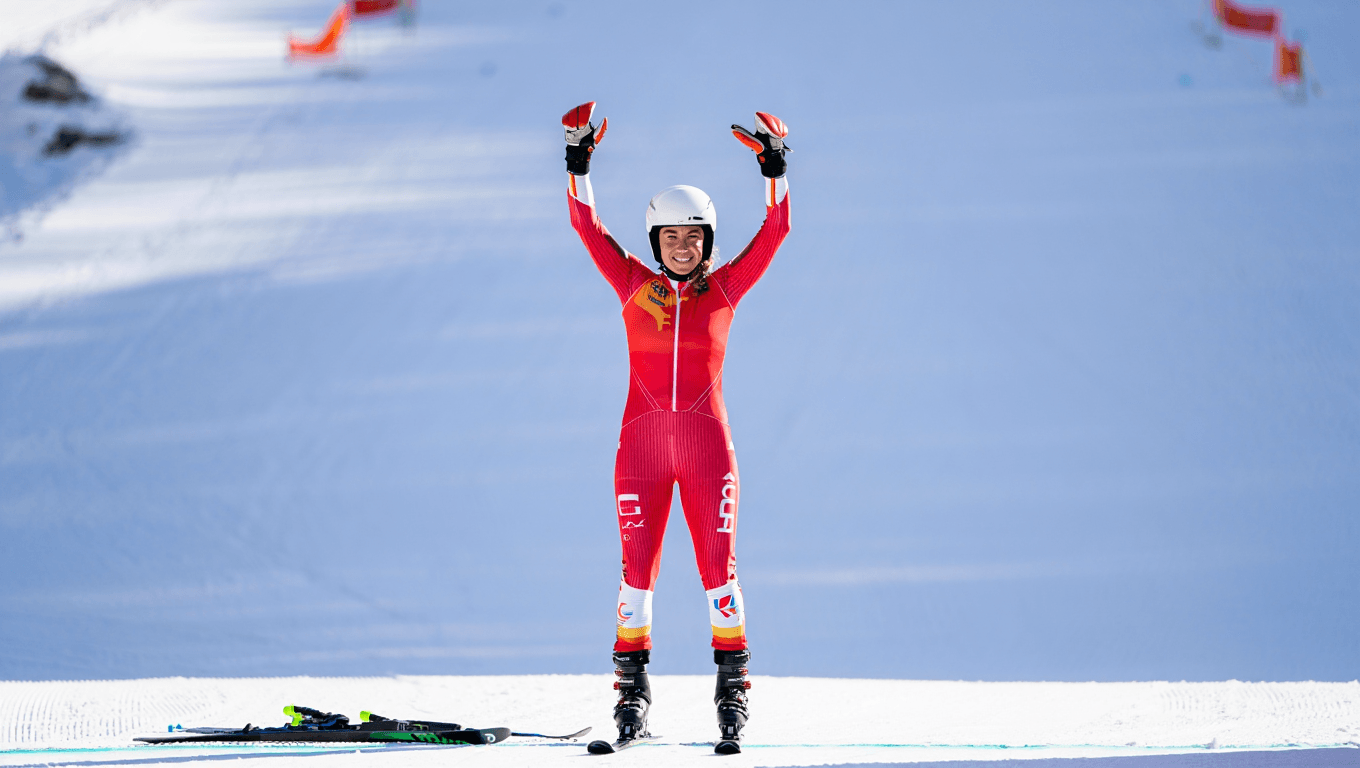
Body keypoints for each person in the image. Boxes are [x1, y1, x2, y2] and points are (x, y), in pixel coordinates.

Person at [562, 101, 791, 754]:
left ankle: (732, 703)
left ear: (709, 243)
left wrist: (775, 167)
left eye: (694, 238)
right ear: (655, 240)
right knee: (636, 579)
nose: (683, 247)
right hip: (639, 451)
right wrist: (578, 160)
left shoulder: (723, 291)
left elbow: (776, 232)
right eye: (670, 237)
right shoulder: (634, 286)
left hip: (706, 453)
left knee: (718, 574)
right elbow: (585, 223)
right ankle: (630, 702)